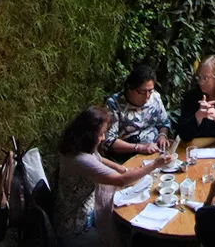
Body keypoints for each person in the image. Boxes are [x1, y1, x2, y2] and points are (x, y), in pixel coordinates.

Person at [54, 105, 172, 246]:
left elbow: (98, 158)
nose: (103, 138)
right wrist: (154, 165)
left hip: (85, 214)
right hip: (76, 228)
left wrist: (119, 167)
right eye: (101, 134)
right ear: (89, 134)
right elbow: (120, 181)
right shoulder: (81, 160)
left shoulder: (77, 146)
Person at [103, 63, 174, 157]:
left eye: (150, 91)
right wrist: (140, 147)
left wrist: (162, 136)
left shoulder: (155, 97)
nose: (147, 96)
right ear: (129, 88)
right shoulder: (114, 104)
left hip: (155, 150)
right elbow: (109, 141)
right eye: (143, 92)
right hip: (128, 153)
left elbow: (164, 122)